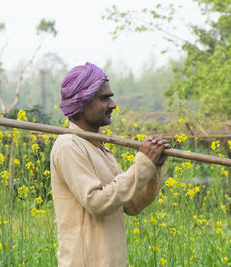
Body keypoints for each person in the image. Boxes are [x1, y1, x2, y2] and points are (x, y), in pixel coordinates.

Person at [50, 62, 171, 267]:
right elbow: (97, 202)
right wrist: (142, 163)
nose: (113, 105)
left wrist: (152, 167)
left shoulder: (100, 148)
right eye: (104, 98)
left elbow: (131, 205)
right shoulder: (68, 145)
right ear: (82, 103)